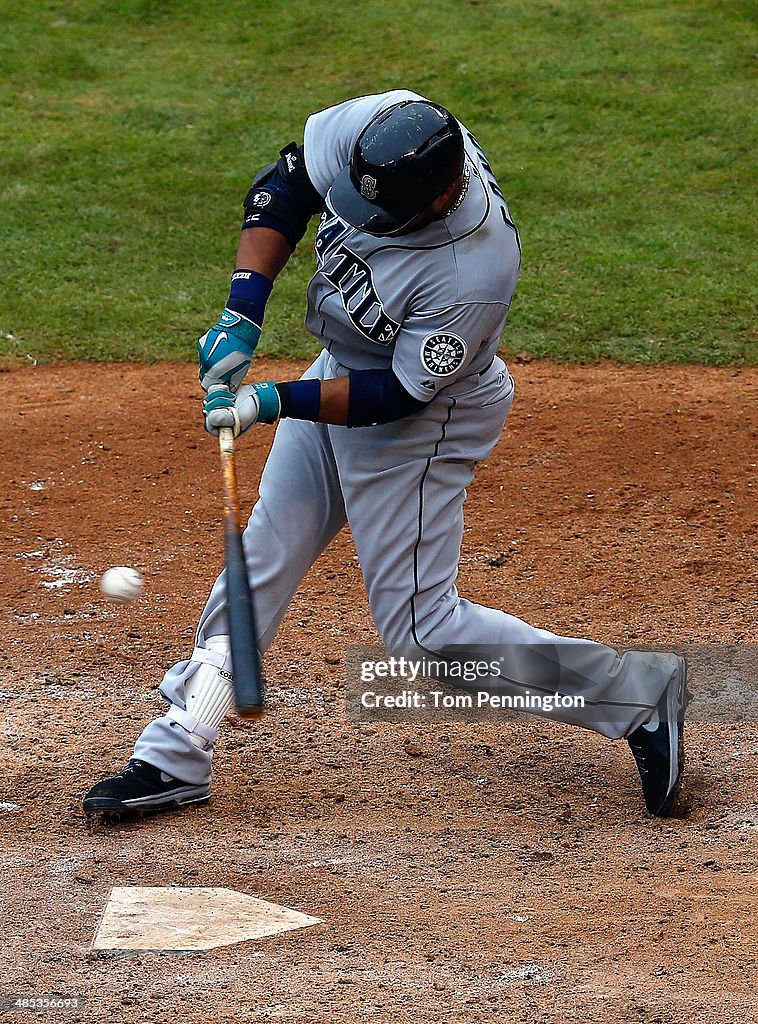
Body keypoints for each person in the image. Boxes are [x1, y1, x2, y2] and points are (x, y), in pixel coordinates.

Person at [83, 91, 688, 820]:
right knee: (266, 552)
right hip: (340, 372)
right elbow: (286, 185)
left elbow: (397, 394)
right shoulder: (391, 127)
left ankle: (635, 693)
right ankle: (178, 749)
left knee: (423, 633)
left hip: (423, 420)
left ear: (440, 198)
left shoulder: (473, 273)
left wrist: (276, 402)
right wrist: (240, 311)